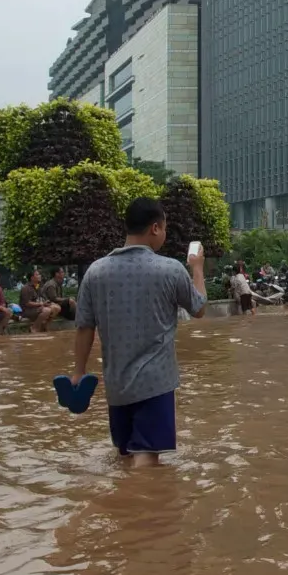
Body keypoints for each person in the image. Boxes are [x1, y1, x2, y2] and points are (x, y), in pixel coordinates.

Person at [72, 197, 208, 467]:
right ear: (155, 228)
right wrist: (197, 268)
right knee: (146, 456)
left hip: (117, 385)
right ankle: (144, 509)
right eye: (165, 228)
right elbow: (199, 307)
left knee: (123, 455)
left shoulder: (95, 272)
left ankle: (122, 505)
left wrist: (78, 371)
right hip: (155, 383)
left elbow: (84, 326)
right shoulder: (170, 269)